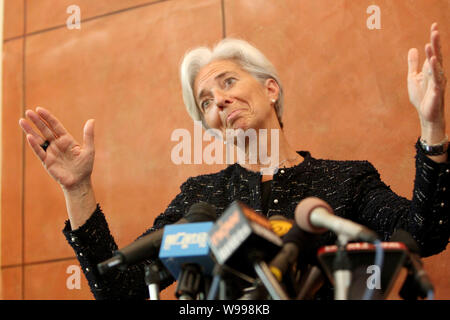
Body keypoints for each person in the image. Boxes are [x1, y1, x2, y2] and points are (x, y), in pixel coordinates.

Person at [19, 22, 449, 300]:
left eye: (228, 82)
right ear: (211, 125)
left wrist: (432, 128)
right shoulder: (200, 199)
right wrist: (78, 190)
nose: (219, 100)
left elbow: (424, 235)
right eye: (206, 101)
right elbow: (123, 290)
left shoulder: (347, 179)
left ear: (271, 91)